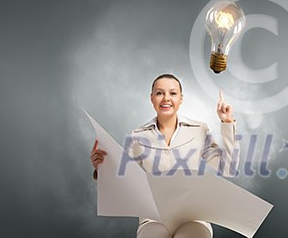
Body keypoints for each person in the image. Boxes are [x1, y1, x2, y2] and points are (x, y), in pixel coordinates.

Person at [90, 73, 239, 238]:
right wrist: (102, 168)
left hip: (193, 217)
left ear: (181, 99)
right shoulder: (137, 136)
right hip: (153, 218)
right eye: (160, 93)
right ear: (152, 98)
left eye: (173, 93)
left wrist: (227, 123)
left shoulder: (199, 130)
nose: (166, 98)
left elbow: (228, 169)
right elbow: (125, 179)